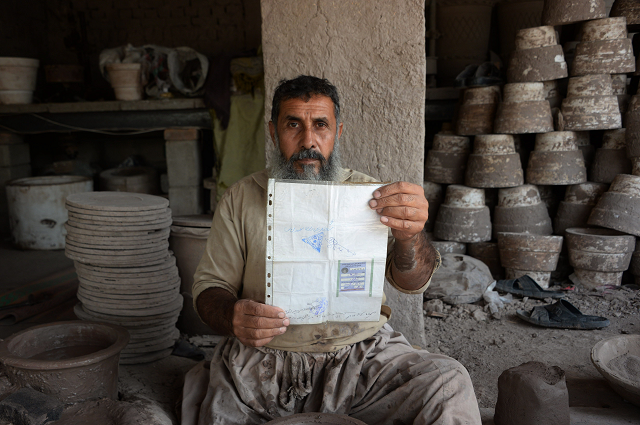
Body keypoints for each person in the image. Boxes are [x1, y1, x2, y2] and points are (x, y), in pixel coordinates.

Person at [181, 75, 482, 425]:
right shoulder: (241, 198)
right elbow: (208, 290)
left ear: (337, 133)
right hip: (263, 359)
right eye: (293, 124)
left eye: (320, 125)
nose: (308, 140)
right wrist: (233, 314)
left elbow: (412, 282)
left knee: (448, 385)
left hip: (362, 355)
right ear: (273, 132)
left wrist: (410, 237)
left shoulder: (371, 196)